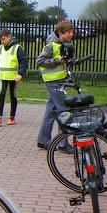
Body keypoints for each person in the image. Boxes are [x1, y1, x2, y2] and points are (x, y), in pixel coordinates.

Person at [36, 20, 76, 153]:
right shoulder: (52, 46)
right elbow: (39, 61)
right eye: (68, 32)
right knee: (64, 111)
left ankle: (43, 141)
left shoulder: (63, 45)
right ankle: (63, 144)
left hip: (58, 82)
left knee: (50, 112)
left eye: (72, 32)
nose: (71, 34)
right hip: (53, 82)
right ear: (60, 33)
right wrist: (57, 61)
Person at [0, 29, 28, 125]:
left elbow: (24, 62)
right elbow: (0, 60)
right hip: (3, 76)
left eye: (4, 39)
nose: (2, 41)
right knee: (1, 95)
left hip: (13, 77)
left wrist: (20, 74)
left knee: (12, 96)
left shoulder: (17, 48)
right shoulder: (0, 48)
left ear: (9, 37)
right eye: (1, 40)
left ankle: (12, 117)